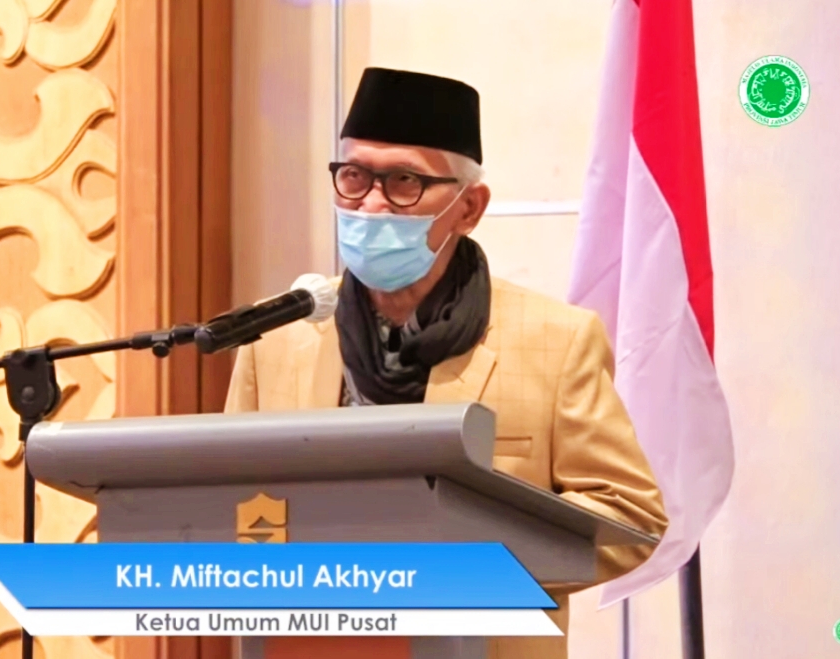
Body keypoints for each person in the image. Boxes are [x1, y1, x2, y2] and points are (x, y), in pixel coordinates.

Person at [223, 67, 668, 658]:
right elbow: (225, 508)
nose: (371, 203)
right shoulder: (277, 336)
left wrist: (450, 576)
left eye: (404, 181)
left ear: (468, 208)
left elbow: (629, 516)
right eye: (353, 177)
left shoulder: (557, 340)